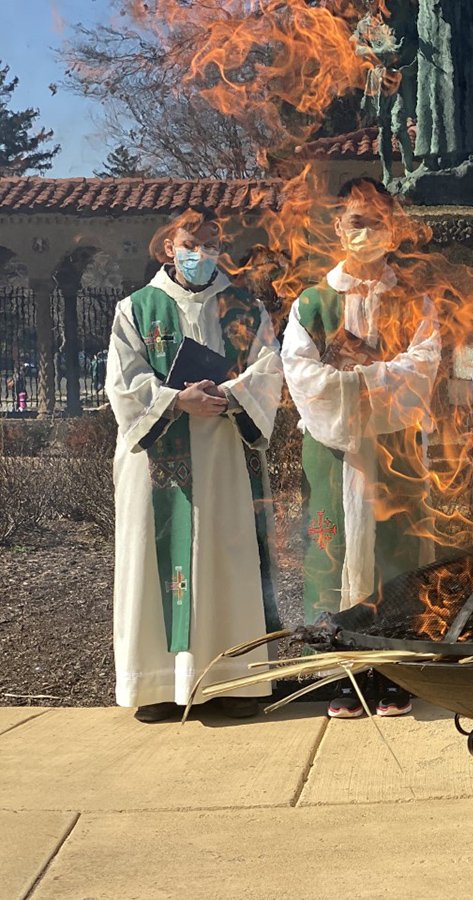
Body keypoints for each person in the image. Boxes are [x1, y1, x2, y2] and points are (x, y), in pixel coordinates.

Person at [107, 206, 283, 723]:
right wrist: (174, 401)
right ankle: (158, 683)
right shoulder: (135, 309)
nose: (204, 251)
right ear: (169, 247)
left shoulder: (244, 305)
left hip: (225, 455)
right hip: (157, 464)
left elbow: (268, 367)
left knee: (227, 555)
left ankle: (234, 682)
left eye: (212, 242)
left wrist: (229, 394)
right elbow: (122, 383)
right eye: (194, 240)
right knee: (153, 556)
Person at [282, 177, 439, 719]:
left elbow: (423, 365)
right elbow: (300, 373)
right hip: (333, 452)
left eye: (378, 222)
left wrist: (364, 375)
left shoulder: (413, 300)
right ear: (337, 228)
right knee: (334, 557)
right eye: (356, 221)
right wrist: (358, 383)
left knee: (394, 559)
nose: (367, 232)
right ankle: (343, 673)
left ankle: (395, 671)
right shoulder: (312, 302)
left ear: (393, 230)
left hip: (394, 452)